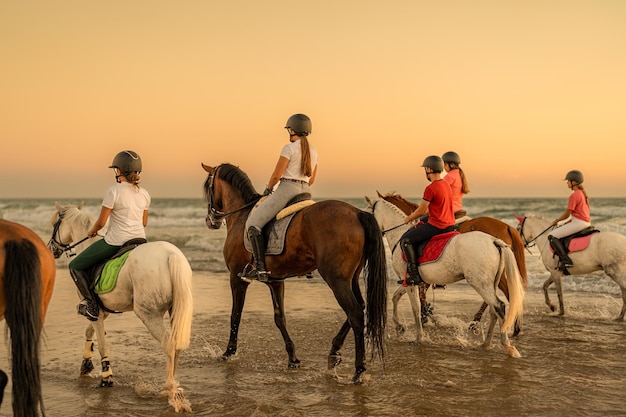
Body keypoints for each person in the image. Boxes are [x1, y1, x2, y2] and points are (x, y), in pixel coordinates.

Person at [68, 150, 151, 320]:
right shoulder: (144, 193)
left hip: (116, 241)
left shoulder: (114, 191)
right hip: (140, 241)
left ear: (119, 171)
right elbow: (143, 223)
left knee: (74, 266)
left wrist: (92, 231)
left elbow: (101, 223)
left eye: (116, 169)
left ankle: (91, 305)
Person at [240, 114, 318, 282]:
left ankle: (260, 268)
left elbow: (276, 175)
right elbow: (311, 179)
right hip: (306, 192)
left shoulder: (288, 149)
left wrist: (268, 189)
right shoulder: (314, 152)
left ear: (292, 129)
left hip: (287, 190)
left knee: (253, 223)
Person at [400, 155, 455, 285]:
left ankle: (414, 275)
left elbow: (421, 210)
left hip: (437, 225)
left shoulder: (430, 188)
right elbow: (431, 209)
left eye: (425, 168)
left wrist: (409, 218)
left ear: (429, 169)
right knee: (422, 222)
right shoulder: (446, 184)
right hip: (449, 223)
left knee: (406, 240)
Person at [548, 169, 590, 270]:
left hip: (579, 223)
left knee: (552, 236)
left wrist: (556, 220)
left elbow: (567, 213)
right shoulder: (582, 194)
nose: (567, 183)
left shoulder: (574, 195)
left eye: (568, 181)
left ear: (573, 182)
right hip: (584, 222)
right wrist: (568, 222)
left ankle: (566, 260)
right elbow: (580, 213)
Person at [442, 151, 470, 218]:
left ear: (451, 164)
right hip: (458, 208)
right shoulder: (460, 175)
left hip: (449, 210)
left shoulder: (449, 176)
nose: (444, 167)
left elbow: (440, 193)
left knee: (423, 220)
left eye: (445, 165)